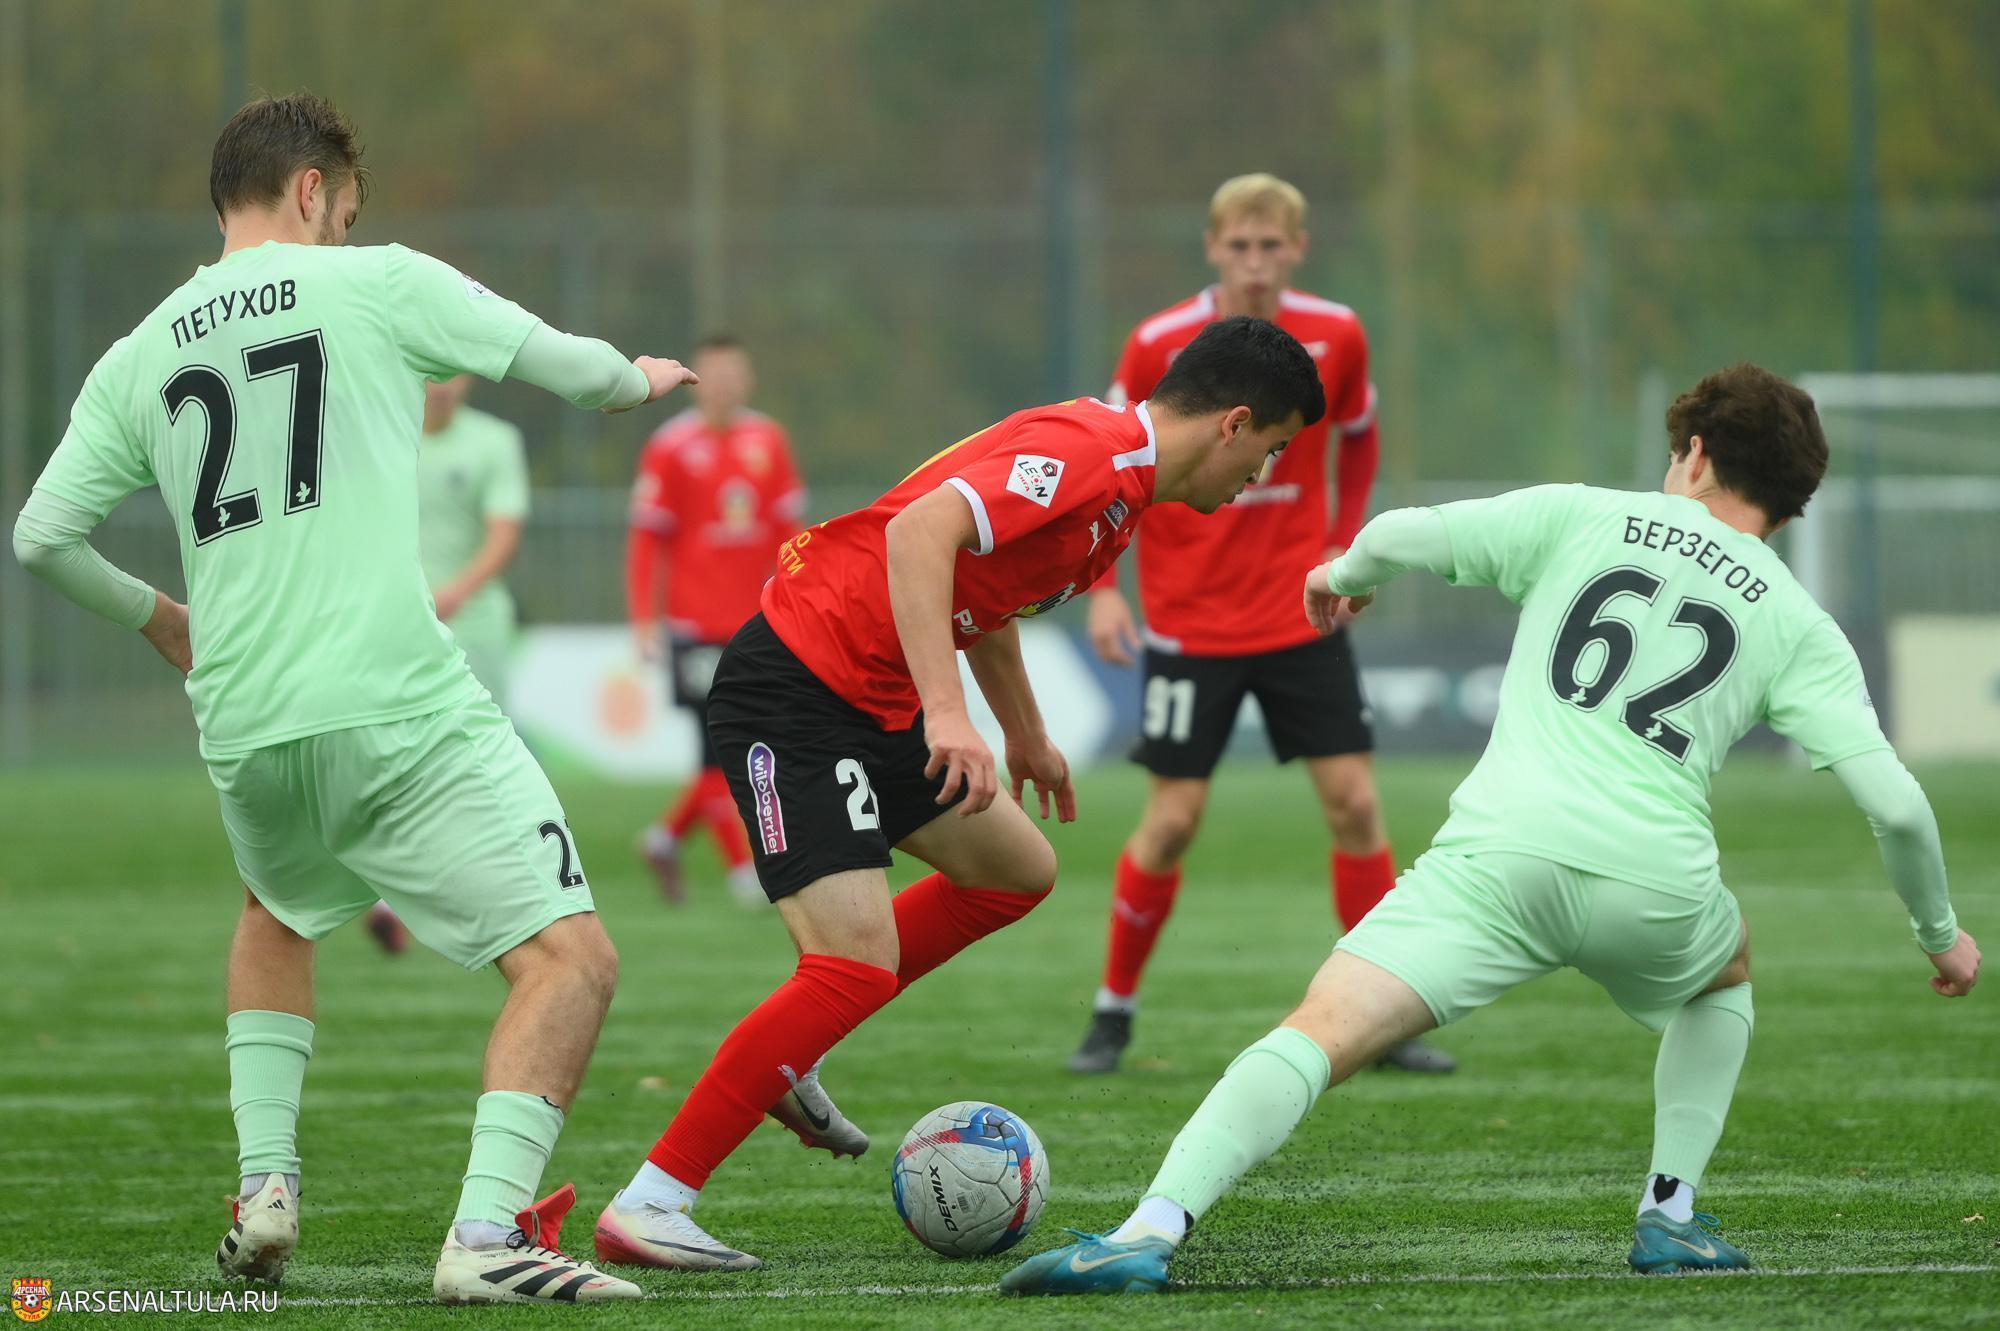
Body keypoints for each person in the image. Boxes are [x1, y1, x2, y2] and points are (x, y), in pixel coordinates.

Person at [1002, 363, 1980, 1294]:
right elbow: (1895, 803)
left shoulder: (1584, 514)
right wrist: (1939, 933)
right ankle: (1669, 1210)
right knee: (1723, 966)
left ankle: (1148, 1228)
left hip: (1496, 861)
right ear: (1791, 506)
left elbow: (1403, 532)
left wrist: (1339, 572)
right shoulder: (1800, 621)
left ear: (1693, 452)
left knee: (1320, 1029)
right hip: (1655, 883)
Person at [10, 93, 699, 1305]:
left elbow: (41, 537)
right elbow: (573, 369)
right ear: (312, 191)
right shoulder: (376, 283)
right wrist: (638, 381)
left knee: (276, 911)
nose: (345, 231)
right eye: (344, 212)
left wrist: (162, 618)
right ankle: (487, 1232)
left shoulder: (142, 350)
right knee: (570, 960)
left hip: (243, 717)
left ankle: (265, 1185)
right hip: (394, 700)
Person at [590, 317, 1328, 1273]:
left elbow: (987, 590)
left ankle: (795, 1046)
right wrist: (950, 713)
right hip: (798, 686)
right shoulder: (1093, 454)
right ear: (1233, 423)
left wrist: (1023, 730)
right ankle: (651, 1200)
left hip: (874, 696)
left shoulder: (1122, 495)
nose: (1261, 475)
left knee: (1016, 869)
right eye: (1271, 450)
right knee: (853, 966)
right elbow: (920, 533)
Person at [1070, 174, 1450, 1076]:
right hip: (1188, 621)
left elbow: (1359, 432)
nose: (1254, 262)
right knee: (1172, 821)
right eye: (1238, 245)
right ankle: (1112, 1011)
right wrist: (1105, 586)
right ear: (1212, 248)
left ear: (1297, 249)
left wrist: (1344, 545)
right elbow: (1114, 455)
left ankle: (1382, 1017)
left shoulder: (1337, 333)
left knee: (1356, 803)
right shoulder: (1160, 341)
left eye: (1270, 245)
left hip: (1301, 610)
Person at [628, 334, 805, 906]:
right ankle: (741, 869)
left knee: (753, 741)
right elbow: (647, 540)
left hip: (757, 623)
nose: (724, 385)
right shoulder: (671, 447)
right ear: (693, 383)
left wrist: (799, 602)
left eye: (733, 373)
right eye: (713, 374)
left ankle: (665, 839)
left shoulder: (768, 439)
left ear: (747, 379)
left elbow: (790, 534)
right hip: (694, 627)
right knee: (717, 747)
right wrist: (644, 620)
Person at [366, 374, 533, 955]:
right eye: (431, 373)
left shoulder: (495, 440)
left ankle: (485, 890)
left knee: (478, 762)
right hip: (397, 625)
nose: (441, 386)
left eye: (452, 372)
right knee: (397, 754)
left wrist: (458, 591)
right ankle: (397, 900)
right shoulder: (380, 431)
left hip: (475, 625)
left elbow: (505, 534)